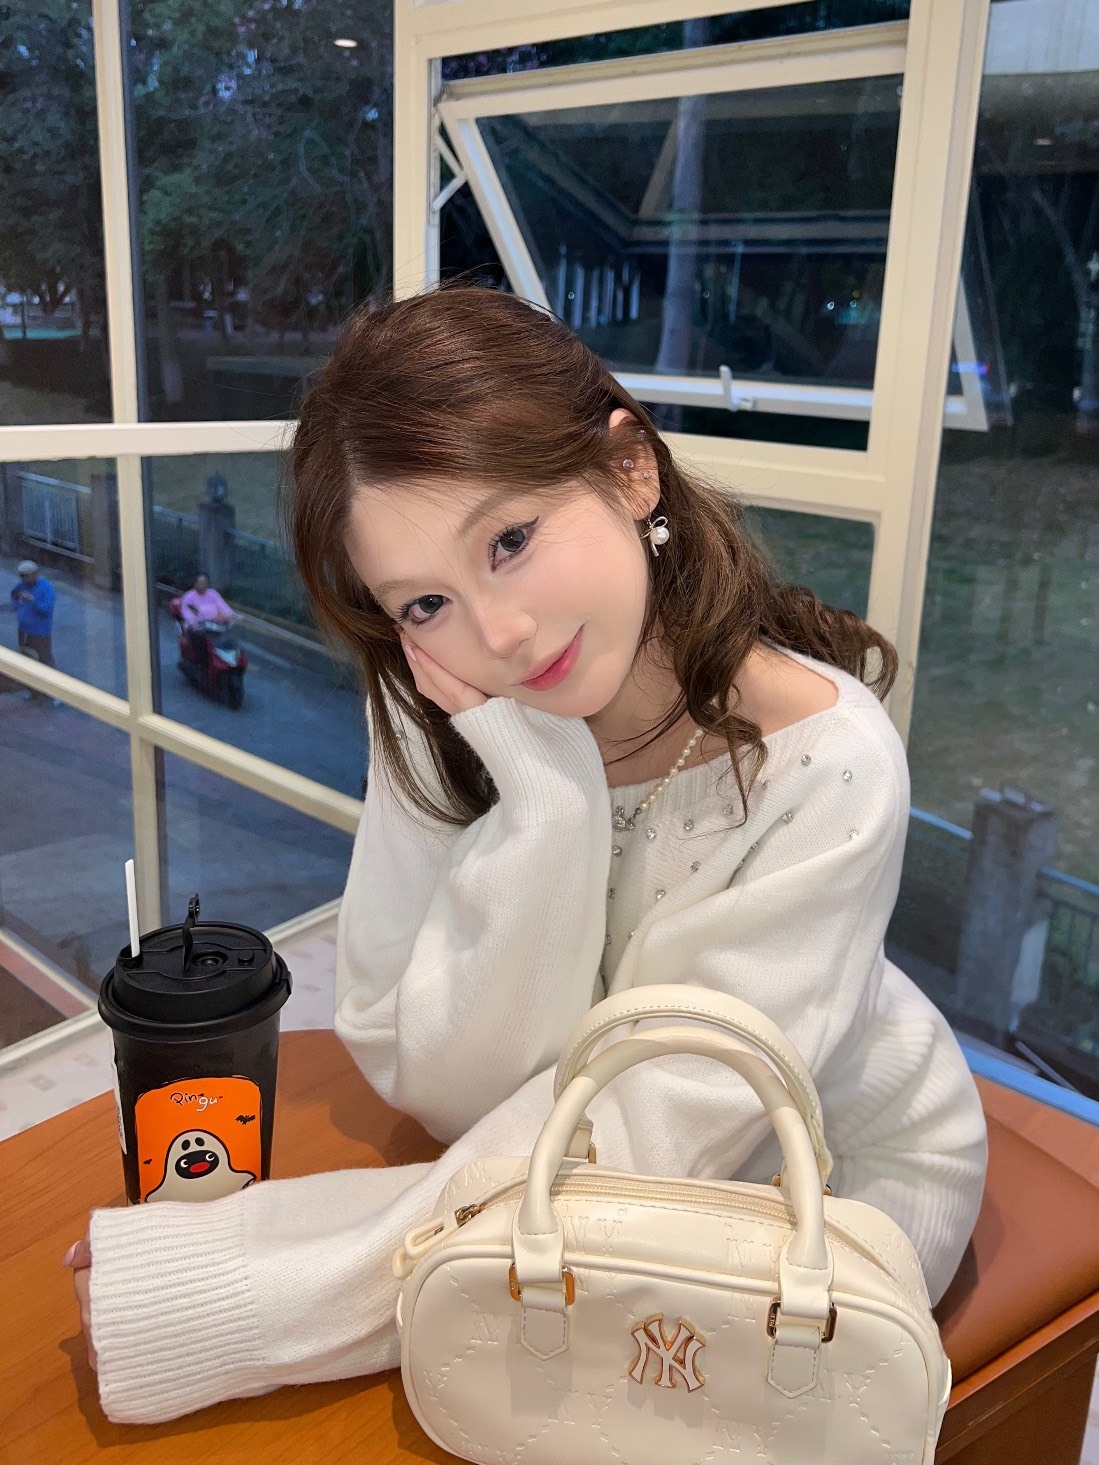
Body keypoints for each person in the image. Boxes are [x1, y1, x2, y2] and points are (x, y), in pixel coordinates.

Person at [69, 288, 988, 1425]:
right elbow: (437, 1080)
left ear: (629, 470)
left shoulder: (828, 767)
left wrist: (235, 1290)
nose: (496, 633)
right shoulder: (447, 696)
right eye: (425, 600)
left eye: (510, 540)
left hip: (831, 1170)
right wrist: (546, 801)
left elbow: (648, 1146)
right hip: (560, 1156)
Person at [9, 559, 60, 706]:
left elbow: (46, 610)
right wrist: (17, 605)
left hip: (40, 632)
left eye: (26, 576)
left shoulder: (46, 588)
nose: (24, 579)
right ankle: (33, 691)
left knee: (45, 660)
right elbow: (14, 593)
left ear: (34, 574)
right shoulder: (22, 585)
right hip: (24, 630)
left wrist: (32, 600)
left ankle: (55, 693)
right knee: (27, 660)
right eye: (22, 576)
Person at [178, 572, 234, 669]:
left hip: (213, 625)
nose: (203, 585)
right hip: (196, 627)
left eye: (205, 582)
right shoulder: (189, 596)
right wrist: (193, 623)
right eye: (200, 582)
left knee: (226, 640)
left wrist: (232, 615)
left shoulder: (213, 594)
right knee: (200, 642)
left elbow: (223, 606)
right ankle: (200, 664)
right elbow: (187, 612)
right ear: (195, 583)